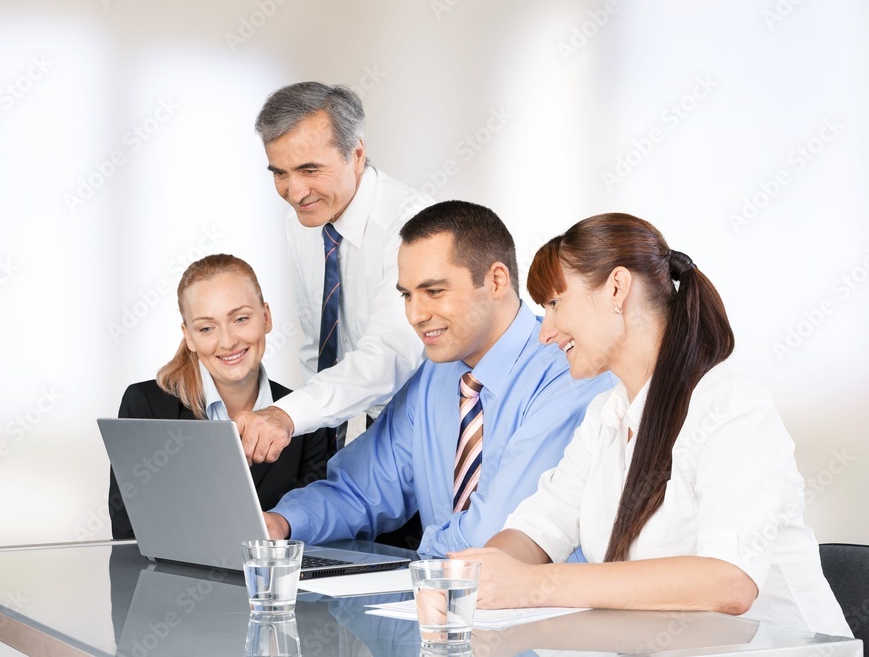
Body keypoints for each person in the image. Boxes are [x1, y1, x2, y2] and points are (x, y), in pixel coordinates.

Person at [451, 213, 852, 637]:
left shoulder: (732, 408)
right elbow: (539, 529)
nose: (545, 332)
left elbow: (729, 582)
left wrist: (534, 586)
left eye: (554, 303)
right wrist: (472, 581)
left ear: (617, 289)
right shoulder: (605, 416)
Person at [263, 201, 614, 556]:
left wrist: (415, 559)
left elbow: (495, 535)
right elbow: (360, 490)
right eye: (407, 295)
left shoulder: (571, 372)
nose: (415, 315)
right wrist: (283, 522)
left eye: (433, 291)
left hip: (539, 608)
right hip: (447, 600)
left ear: (495, 281)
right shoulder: (436, 374)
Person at [240, 82, 433, 464]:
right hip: (346, 435)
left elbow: (389, 356)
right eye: (280, 173)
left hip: (420, 435)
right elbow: (319, 344)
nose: (295, 192)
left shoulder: (414, 226)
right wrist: (316, 445)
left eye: (310, 169)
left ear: (356, 153)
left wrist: (289, 414)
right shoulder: (302, 223)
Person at [108, 254, 329, 540]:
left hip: (272, 582)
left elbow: (313, 533)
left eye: (240, 319)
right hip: (172, 583)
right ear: (189, 337)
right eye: (206, 328)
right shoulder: (146, 406)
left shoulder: (303, 415)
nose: (227, 342)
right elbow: (129, 536)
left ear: (266, 317)